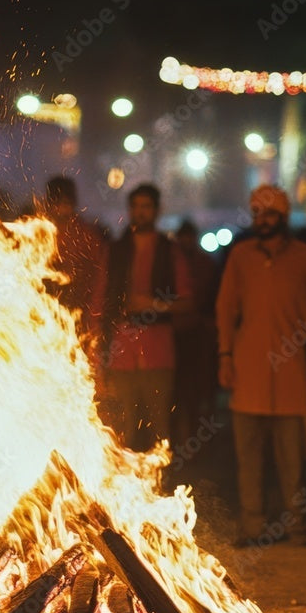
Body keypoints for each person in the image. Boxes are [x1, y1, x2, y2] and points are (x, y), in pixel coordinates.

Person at [215, 184, 306, 546]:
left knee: (293, 460)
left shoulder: (304, 257)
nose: (263, 220)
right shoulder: (240, 256)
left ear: (284, 217)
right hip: (248, 374)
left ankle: (296, 526)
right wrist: (225, 357)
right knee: (249, 460)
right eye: (257, 213)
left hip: (291, 377)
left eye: (270, 214)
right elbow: (225, 310)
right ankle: (252, 527)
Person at [91, 183, 193, 453]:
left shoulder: (170, 252)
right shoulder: (114, 250)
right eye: (136, 207)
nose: (140, 212)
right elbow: (99, 302)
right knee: (124, 429)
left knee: (160, 427)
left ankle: (161, 487)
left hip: (158, 350)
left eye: (146, 207)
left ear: (157, 211)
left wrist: (154, 304)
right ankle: (126, 491)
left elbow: (187, 301)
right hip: (121, 351)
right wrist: (97, 352)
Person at [41, 175, 107, 349]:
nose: (61, 208)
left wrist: (93, 315)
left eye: (65, 202)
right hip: (43, 314)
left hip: (80, 315)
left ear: (73, 202)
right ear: (49, 202)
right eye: (56, 201)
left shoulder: (87, 235)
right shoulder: (37, 233)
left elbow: (100, 277)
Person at [171, 219, 220, 448]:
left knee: (198, 393)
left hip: (198, 336)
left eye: (189, 237)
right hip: (174, 336)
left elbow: (212, 297)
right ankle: (177, 443)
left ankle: (197, 442)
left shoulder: (204, 263)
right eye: (183, 237)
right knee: (175, 394)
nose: (186, 241)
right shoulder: (171, 263)